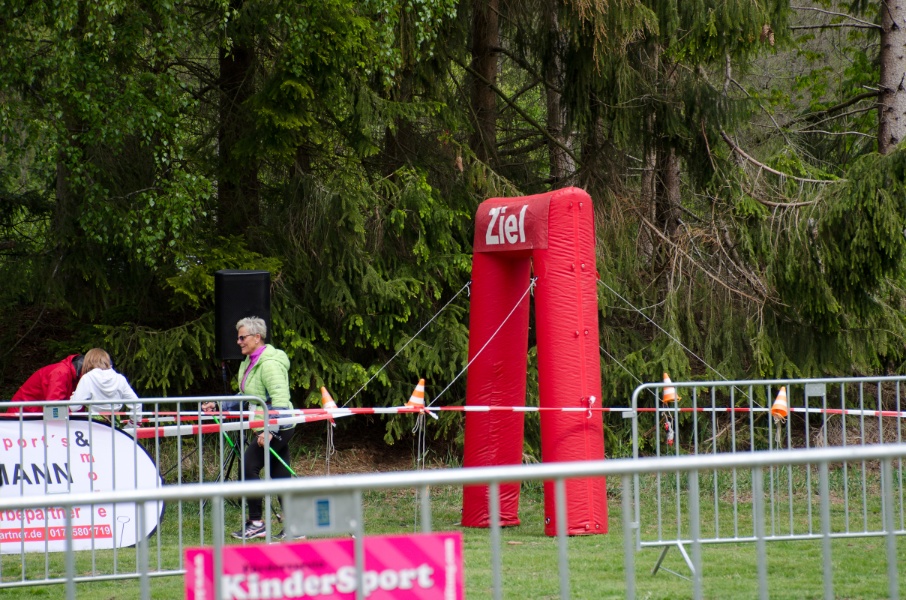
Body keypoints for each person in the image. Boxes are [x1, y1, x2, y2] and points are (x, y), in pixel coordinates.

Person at [202, 316, 298, 541]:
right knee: (280, 474)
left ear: (257, 337)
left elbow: (280, 400)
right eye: (238, 337)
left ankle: (256, 523)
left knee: (247, 468)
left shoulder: (270, 364)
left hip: (278, 426)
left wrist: (270, 431)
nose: (238, 341)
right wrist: (218, 406)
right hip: (266, 426)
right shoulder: (249, 362)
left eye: (242, 337)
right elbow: (246, 397)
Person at [70, 348, 142, 425]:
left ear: (87, 362)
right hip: (115, 424)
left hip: (94, 425)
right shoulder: (120, 378)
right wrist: (132, 426)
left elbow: (74, 407)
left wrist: (74, 396)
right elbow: (136, 404)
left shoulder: (88, 378)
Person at [6, 354, 85, 414]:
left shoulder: (72, 375)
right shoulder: (61, 373)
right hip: (25, 415)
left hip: (32, 414)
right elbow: (54, 407)